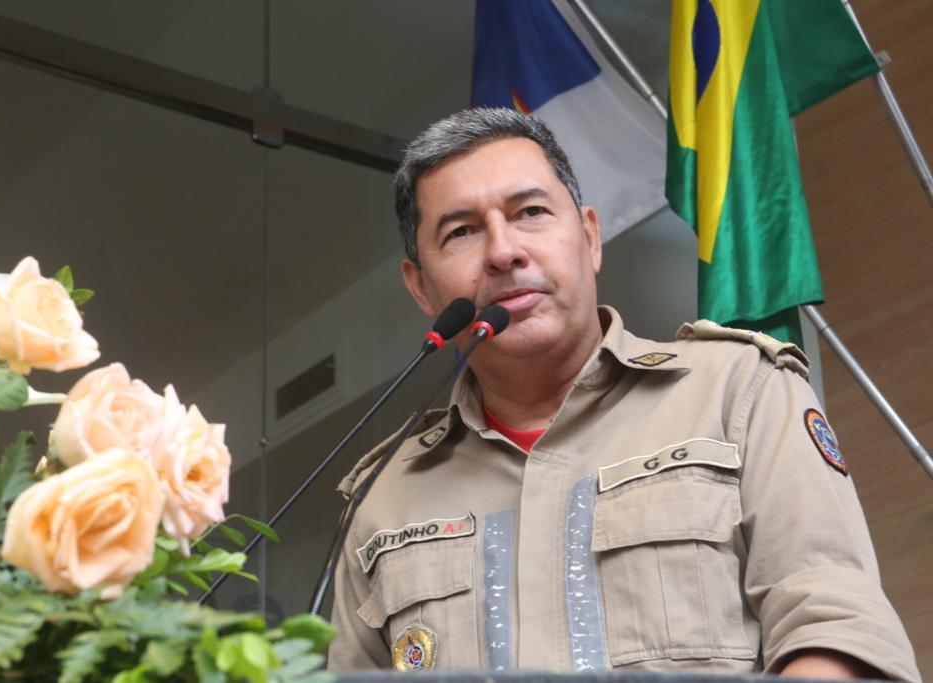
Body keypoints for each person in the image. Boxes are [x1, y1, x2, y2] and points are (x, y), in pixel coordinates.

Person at [326, 108, 919, 680]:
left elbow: (837, 631)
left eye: (530, 212)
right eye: (461, 232)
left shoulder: (740, 392)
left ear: (589, 238)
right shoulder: (383, 496)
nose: (504, 251)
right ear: (421, 289)